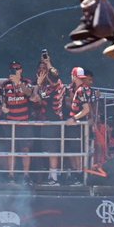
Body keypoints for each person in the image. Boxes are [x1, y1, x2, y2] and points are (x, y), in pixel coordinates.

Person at [31, 52, 66, 185]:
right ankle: (49, 176)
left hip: (53, 121)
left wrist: (48, 63)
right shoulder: (44, 85)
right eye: (40, 69)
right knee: (46, 149)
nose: (42, 72)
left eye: (44, 70)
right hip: (45, 121)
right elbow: (35, 99)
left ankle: (54, 178)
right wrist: (38, 84)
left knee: (52, 150)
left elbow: (54, 74)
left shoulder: (55, 86)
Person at [1, 61, 35, 183]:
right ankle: (11, 175)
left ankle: (26, 175)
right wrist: (3, 107)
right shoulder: (5, 84)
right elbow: (3, 100)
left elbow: (30, 94)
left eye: (17, 68)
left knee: (25, 149)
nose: (15, 71)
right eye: (13, 69)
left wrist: (19, 83)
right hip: (10, 122)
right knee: (11, 150)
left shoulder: (26, 82)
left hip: (24, 122)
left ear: (21, 70)